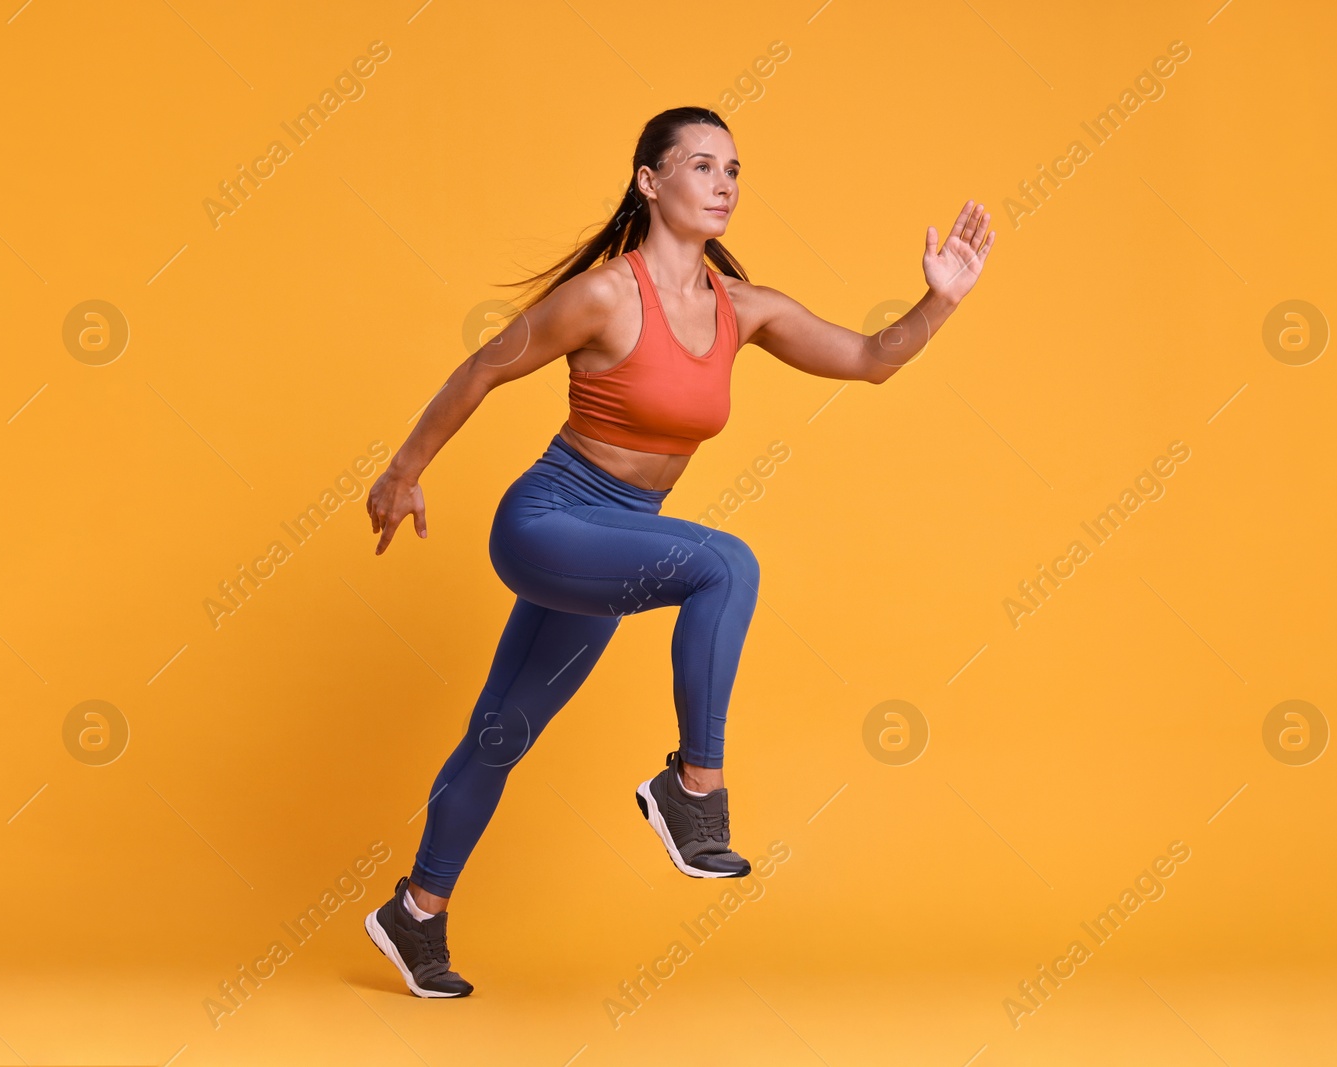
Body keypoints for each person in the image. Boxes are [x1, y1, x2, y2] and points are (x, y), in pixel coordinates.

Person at [361, 106, 995, 998]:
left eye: (734, 168)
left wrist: (941, 299)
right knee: (726, 562)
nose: (725, 182)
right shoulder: (605, 296)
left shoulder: (745, 308)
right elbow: (485, 367)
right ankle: (694, 789)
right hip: (548, 519)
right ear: (651, 182)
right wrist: (404, 470)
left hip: (622, 540)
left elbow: (869, 357)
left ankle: (415, 912)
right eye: (702, 165)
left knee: (500, 733)